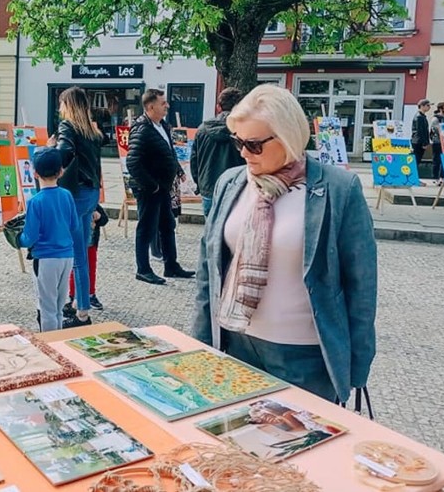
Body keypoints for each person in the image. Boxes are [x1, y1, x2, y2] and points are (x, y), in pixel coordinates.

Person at [191, 84, 377, 403]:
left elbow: (361, 285)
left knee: (295, 448)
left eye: (253, 144)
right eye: (238, 141)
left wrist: (356, 369)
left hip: (305, 357)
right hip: (235, 345)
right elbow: (208, 272)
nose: (243, 153)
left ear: (288, 136)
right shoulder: (231, 183)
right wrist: (201, 344)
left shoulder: (339, 189)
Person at [127, 89, 194, 285]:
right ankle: (143, 269)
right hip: (150, 188)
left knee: (167, 225)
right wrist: (152, 185)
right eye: (163, 103)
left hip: (164, 186)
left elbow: (170, 151)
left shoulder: (162, 125)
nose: (167, 106)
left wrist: (178, 171)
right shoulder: (142, 129)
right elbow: (133, 163)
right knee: (146, 228)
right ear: (150, 107)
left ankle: (171, 265)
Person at [53, 86, 104, 328]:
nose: (59, 109)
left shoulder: (68, 127)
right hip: (91, 192)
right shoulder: (93, 132)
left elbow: (63, 151)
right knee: (82, 252)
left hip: (76, 194)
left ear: (68, 105)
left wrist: (49, 153)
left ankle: (82, 312)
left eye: (62, 104)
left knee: (77, 256)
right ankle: (78, 303)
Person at [17, 148, 78, 332]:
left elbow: (30, 237)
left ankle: (50, 345)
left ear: (35, 174)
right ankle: (59, 341)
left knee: (47, 309)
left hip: (45, 258)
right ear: (61, 171)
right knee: (59, 307)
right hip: (67, 256)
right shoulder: (67, 195)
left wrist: (19, 240)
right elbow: (74, 225)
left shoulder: (35, 201)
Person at [190, 87, 246, 216]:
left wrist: (200, 184)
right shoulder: (244, 130)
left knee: (210, 232)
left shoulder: (202, 129)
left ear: (218, 107)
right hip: (236, 188)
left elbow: (194, 161)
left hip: (209, 187)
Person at [64, 205, 109, 318]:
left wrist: (98, 218)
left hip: (91, 244)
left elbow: (104, 219)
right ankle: (74, 294)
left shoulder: (93, 205)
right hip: (76, 244)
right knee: (75, 270)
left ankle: (90, 294)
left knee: (91, 269)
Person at [430, 102, 444, 183]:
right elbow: (437, 130)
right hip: (437, 142)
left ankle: (443, 177)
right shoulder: (436, 119)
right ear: (441, 109)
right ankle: (435, 178)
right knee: (437, 160)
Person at [411, 98, 431, 165]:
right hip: (418, 142)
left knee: (417, 159)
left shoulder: (422, 116)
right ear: (422, 106)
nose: (429, 107)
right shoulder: (419, 117)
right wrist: (424, 143)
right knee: (416, 159)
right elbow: (420, 131)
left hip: (418, 141)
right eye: (428, 105)